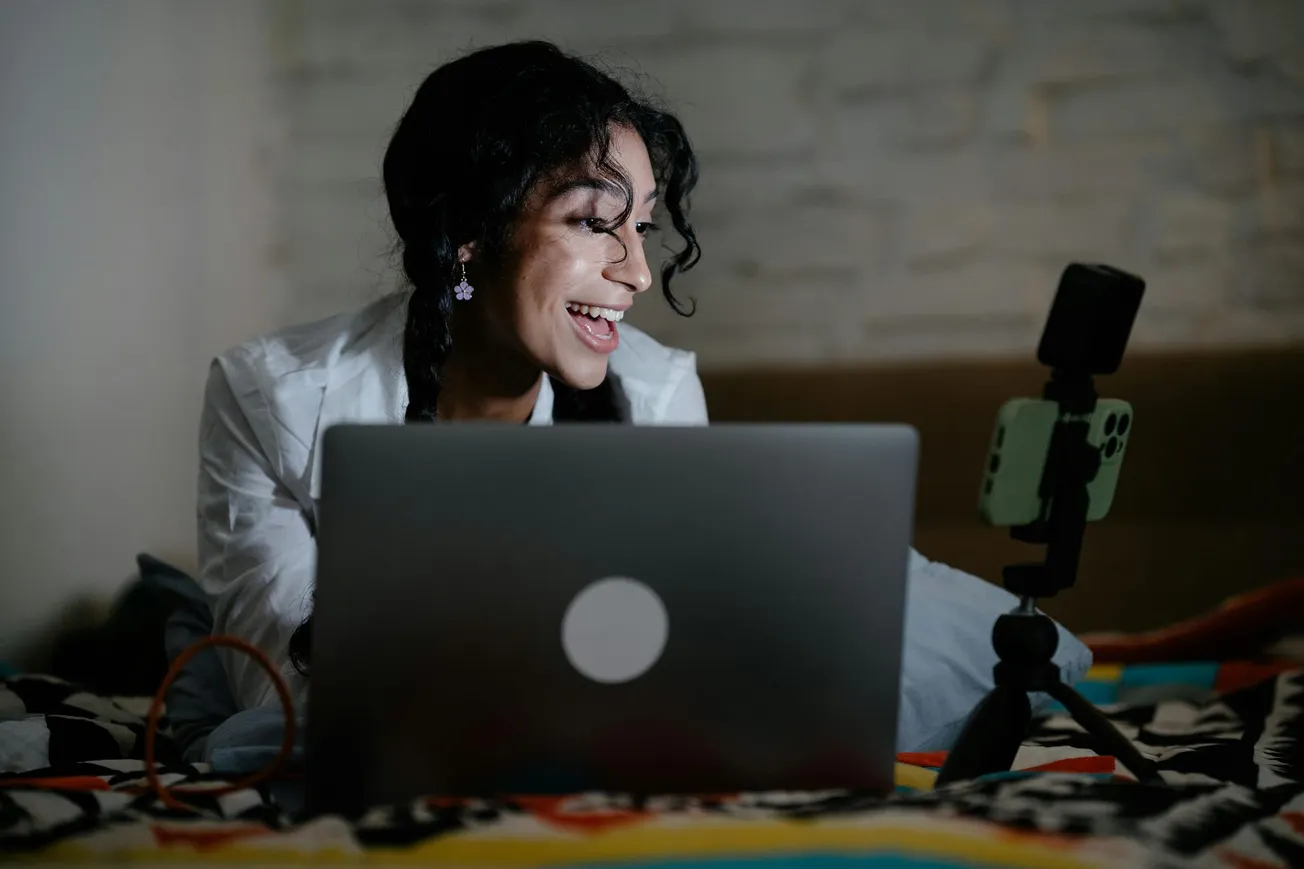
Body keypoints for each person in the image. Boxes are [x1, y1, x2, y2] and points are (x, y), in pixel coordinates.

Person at [189, 40, 1092, 771]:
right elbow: (279, 688)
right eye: (594, 222)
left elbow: (661, 664)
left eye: (644, 225)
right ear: (466, 232)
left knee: (927, 625)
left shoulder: (655, 387)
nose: (638, 271)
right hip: (398, 721)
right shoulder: (271, 396)